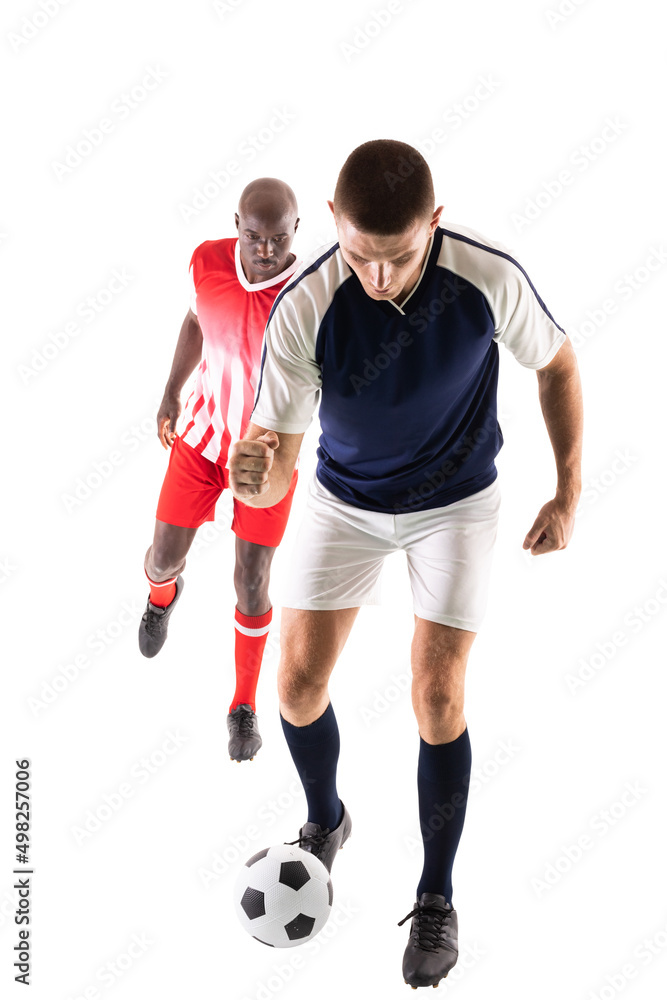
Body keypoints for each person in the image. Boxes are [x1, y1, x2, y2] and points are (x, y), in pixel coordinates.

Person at [229, 139, 583, 988]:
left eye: (396, 257)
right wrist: (258, 469)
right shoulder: (308, 303)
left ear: (433, 221)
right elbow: (278, 450)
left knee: (436, 694)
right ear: (331, 225)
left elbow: (558, 363)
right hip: (344, 501)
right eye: (358, 255)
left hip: (454, 504)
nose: (377, 278)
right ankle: (325, 822)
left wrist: (566, 493)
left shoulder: (486, 277)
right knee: (296, 686)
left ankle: (434, 894)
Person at [139, 177, 300, 764]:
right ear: (237, 225)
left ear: (295, 233)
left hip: (265, 460)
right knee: (161, 556)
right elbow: (193, 322)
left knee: (251, 580)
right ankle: (163, 595)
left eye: (277, 238)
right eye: (253, 236)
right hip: (204, 438)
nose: (264, 249)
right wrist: (170, 394)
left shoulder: (308, 294)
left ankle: (243, 705)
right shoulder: (207, 260)